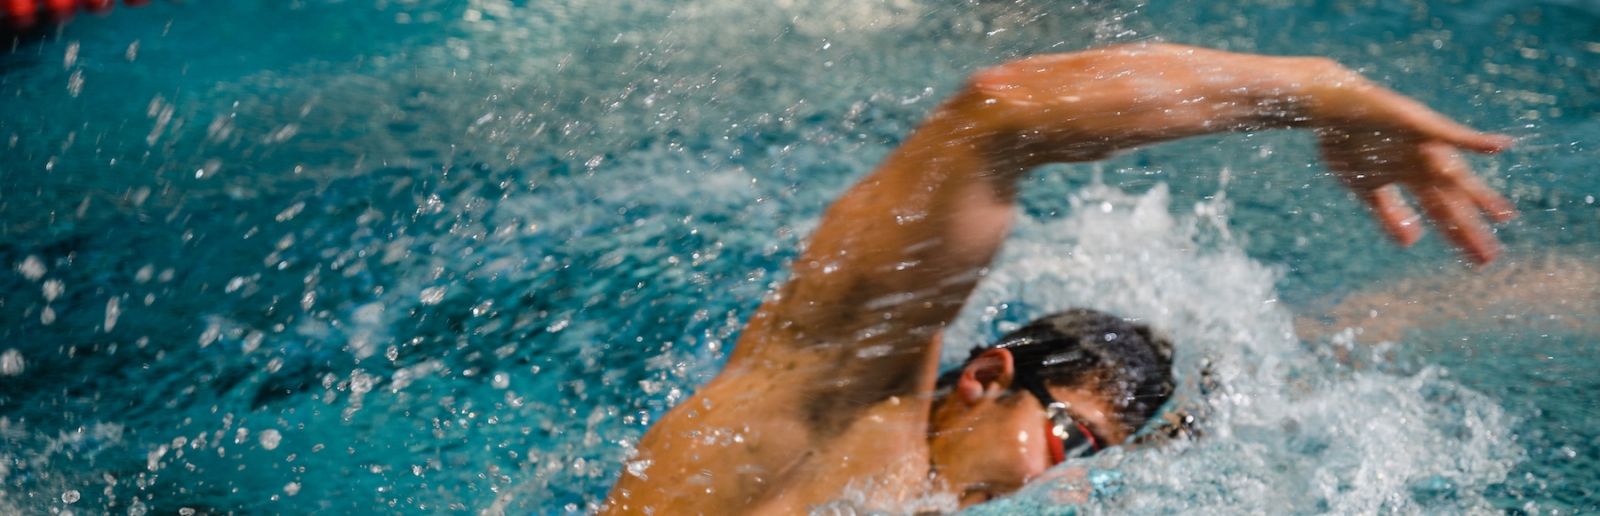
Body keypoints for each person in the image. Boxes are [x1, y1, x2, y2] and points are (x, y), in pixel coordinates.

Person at [600, 43, 1516, 514]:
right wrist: (1313, 90)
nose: (1063, 485)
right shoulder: (828, 416)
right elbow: (1000, 114)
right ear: (988, 377)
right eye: (1073, 442)